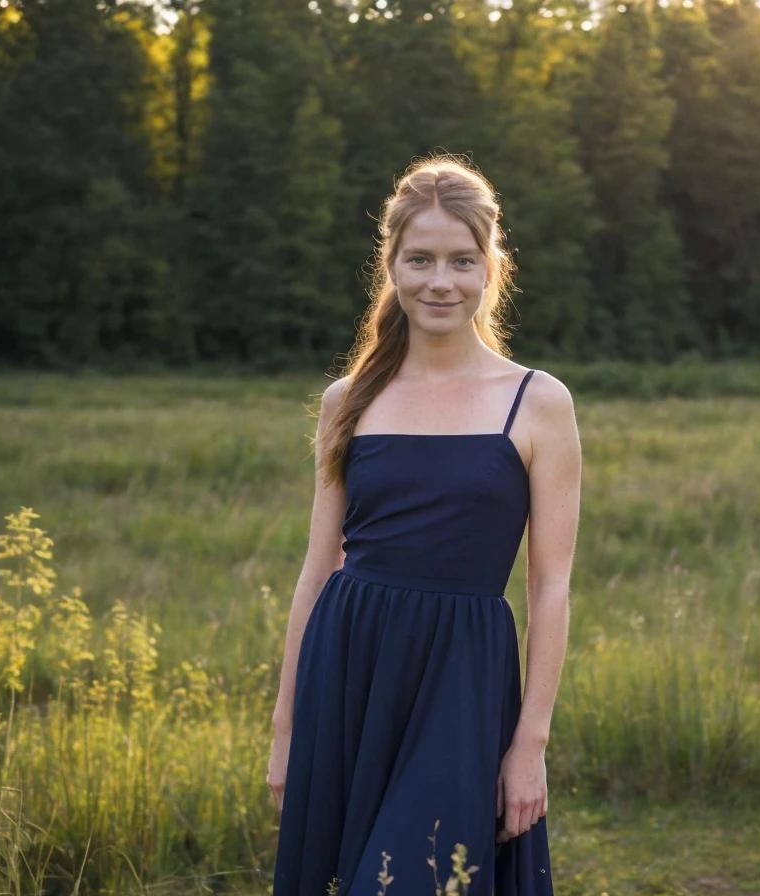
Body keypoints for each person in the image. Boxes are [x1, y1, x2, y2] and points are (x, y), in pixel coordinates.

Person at [268, 154, 581, 896]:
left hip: (464, 682)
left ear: (488, 268)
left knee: (420, 875)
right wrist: (286, 730)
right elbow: (317, 574)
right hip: (350, 671)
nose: (440, 280)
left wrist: (529, 745)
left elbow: (552, 586)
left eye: (460, 261)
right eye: (421, 259)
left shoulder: (538, 403)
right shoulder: (348, 399)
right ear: (392, 265)